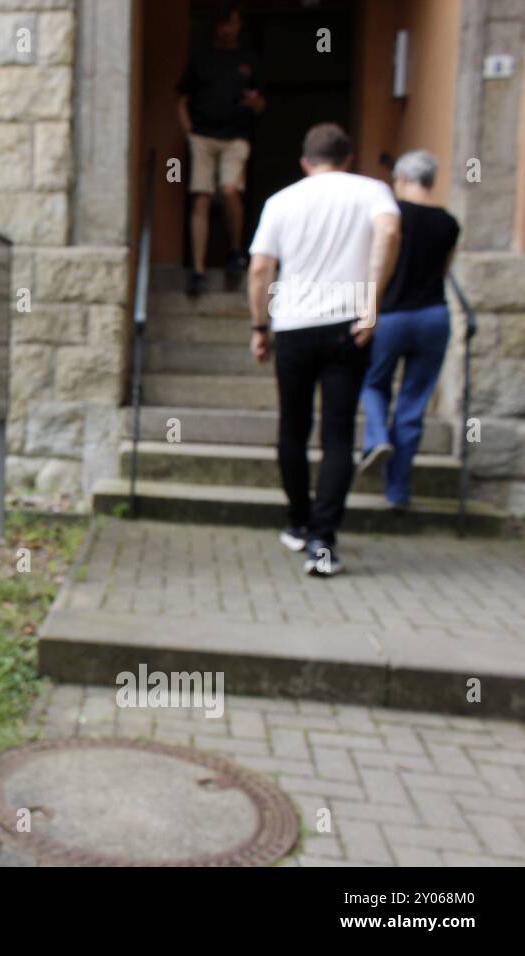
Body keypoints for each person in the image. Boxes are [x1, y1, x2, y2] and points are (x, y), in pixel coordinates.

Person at [247, 123, 400, 577]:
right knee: (337, 435)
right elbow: (389, 235)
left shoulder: (282, 200)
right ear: (348, 157)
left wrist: (260, 326)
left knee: (292, 428)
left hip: (293, 326)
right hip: (347, 327)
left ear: (305, 161)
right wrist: (370, 306)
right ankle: (323, 540)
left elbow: (260, 269)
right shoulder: (373, 191)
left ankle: (297, 520)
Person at [357, 150, 461, 511]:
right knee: (414, 403)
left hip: (392, 315)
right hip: (433, 316)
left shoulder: (390, 217)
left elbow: (376, 263)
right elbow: (445, 270)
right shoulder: (448, 222)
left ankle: (377, 437)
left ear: (400, 177)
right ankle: (398, 492)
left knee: (372, 383)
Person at [177, 1, 265, 297]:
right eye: (223, 23)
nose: (227, 29)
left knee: (229, 190)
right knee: (200, 198)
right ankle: (199, 270)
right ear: (216, 26)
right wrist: (189, 131)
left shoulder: (248, 59)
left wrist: (254, 103)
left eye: (232, 23)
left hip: (235, 137)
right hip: (202, 136)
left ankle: (235, 251)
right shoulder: (201, 58)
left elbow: (261, 103)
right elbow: (181, 99)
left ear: (239, 25)